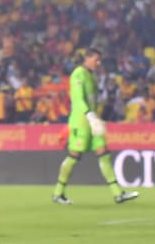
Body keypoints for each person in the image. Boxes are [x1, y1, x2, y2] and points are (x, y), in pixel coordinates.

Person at [52, 48, 139, 205]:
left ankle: (117, 194)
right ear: (87, 58)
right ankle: (58, 192)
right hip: (81, 121)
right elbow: (78, 99)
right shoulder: (78, 74)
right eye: (96, 60)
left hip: (93, 121)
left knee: (103, 153)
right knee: (74, 156)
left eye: (100, 60)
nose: (98, 63)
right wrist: (89, 115)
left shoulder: (92, 76)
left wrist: (97, 116)